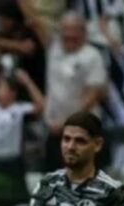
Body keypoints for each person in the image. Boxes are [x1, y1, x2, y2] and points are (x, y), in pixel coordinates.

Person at [43, 12, 108, 170]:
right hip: (55, 132)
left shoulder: (92, 56)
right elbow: (36, 24)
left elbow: (93, 95)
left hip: (82, 133)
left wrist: (67, 124)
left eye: (75, 30)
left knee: (83, 183)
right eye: (66, 30)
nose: (70, 34)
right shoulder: (54, 50)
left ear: (84, 32)